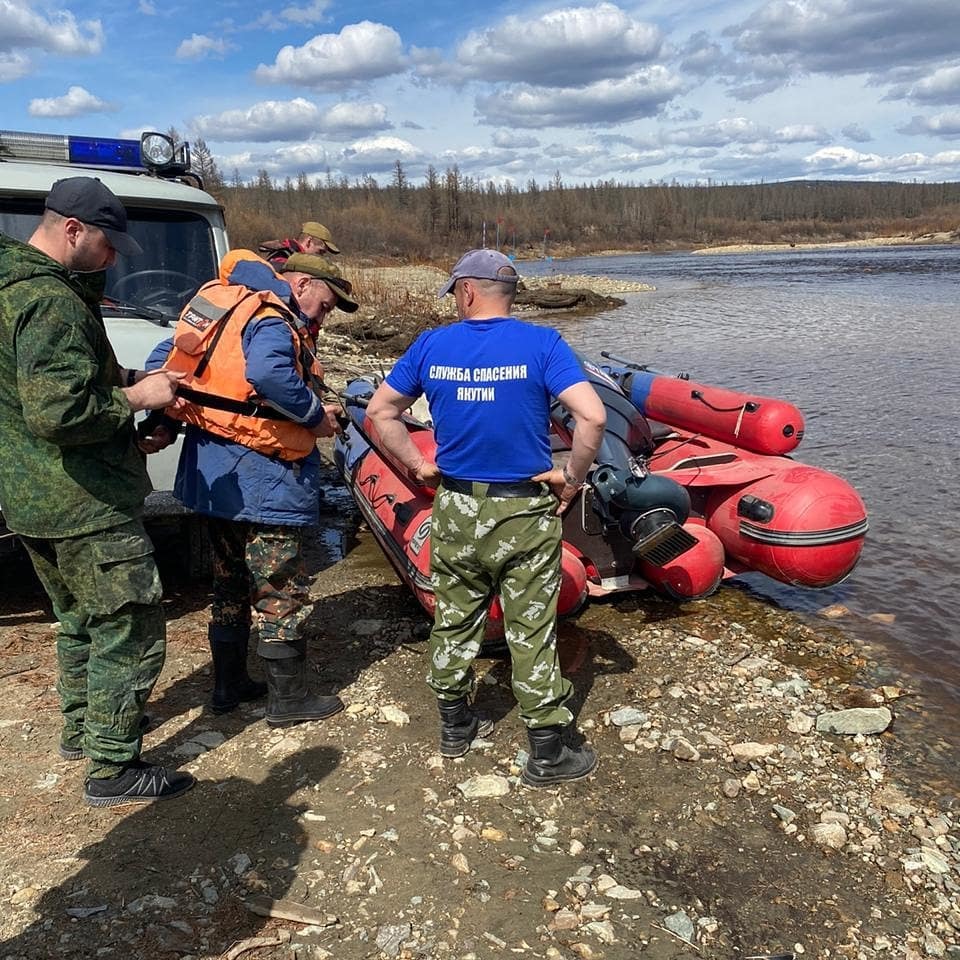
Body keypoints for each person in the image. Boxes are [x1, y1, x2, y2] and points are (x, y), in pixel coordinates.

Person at [365, 249, 607, 787]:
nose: (454, 301)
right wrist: (571, 477)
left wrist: (417, 464)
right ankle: (546, 751)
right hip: (522, 507)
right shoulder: (542, 344)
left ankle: (455, 727)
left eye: (454, 292)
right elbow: (592, 416)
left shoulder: (432, 345)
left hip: (456, 505)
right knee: (531, 625)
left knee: (455, 614)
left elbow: (380, 411)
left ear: (467, 291)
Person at [0, 176, 195, 806]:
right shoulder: (50, 302)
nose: (114, 259)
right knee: (130, 624)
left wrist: (137, 379)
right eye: (109, 246)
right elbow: (58, 411)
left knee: (78, 618)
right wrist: (137, 399)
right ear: (73, 230)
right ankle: (112, 766)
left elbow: (67, 380)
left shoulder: (15, 291)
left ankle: (81, 730)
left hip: (33, 496)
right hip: (83, 504)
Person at [142, 250, 357, 724]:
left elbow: (166, 360)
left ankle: (227, 687)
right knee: (280, 586)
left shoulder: (223, 308)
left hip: (214, 481)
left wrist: (162, 420)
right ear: (300, 285)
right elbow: (266, 373)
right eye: (325, 303)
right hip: (265, 480)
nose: (325, 315)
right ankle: (290, 700)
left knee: (229, 583)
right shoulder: (274, 318)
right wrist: (315, 415)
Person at [258, 221, 340, 268]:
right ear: (309, 241)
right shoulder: (282, 257)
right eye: (320, 252)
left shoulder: (293, 255)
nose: (321, 257)